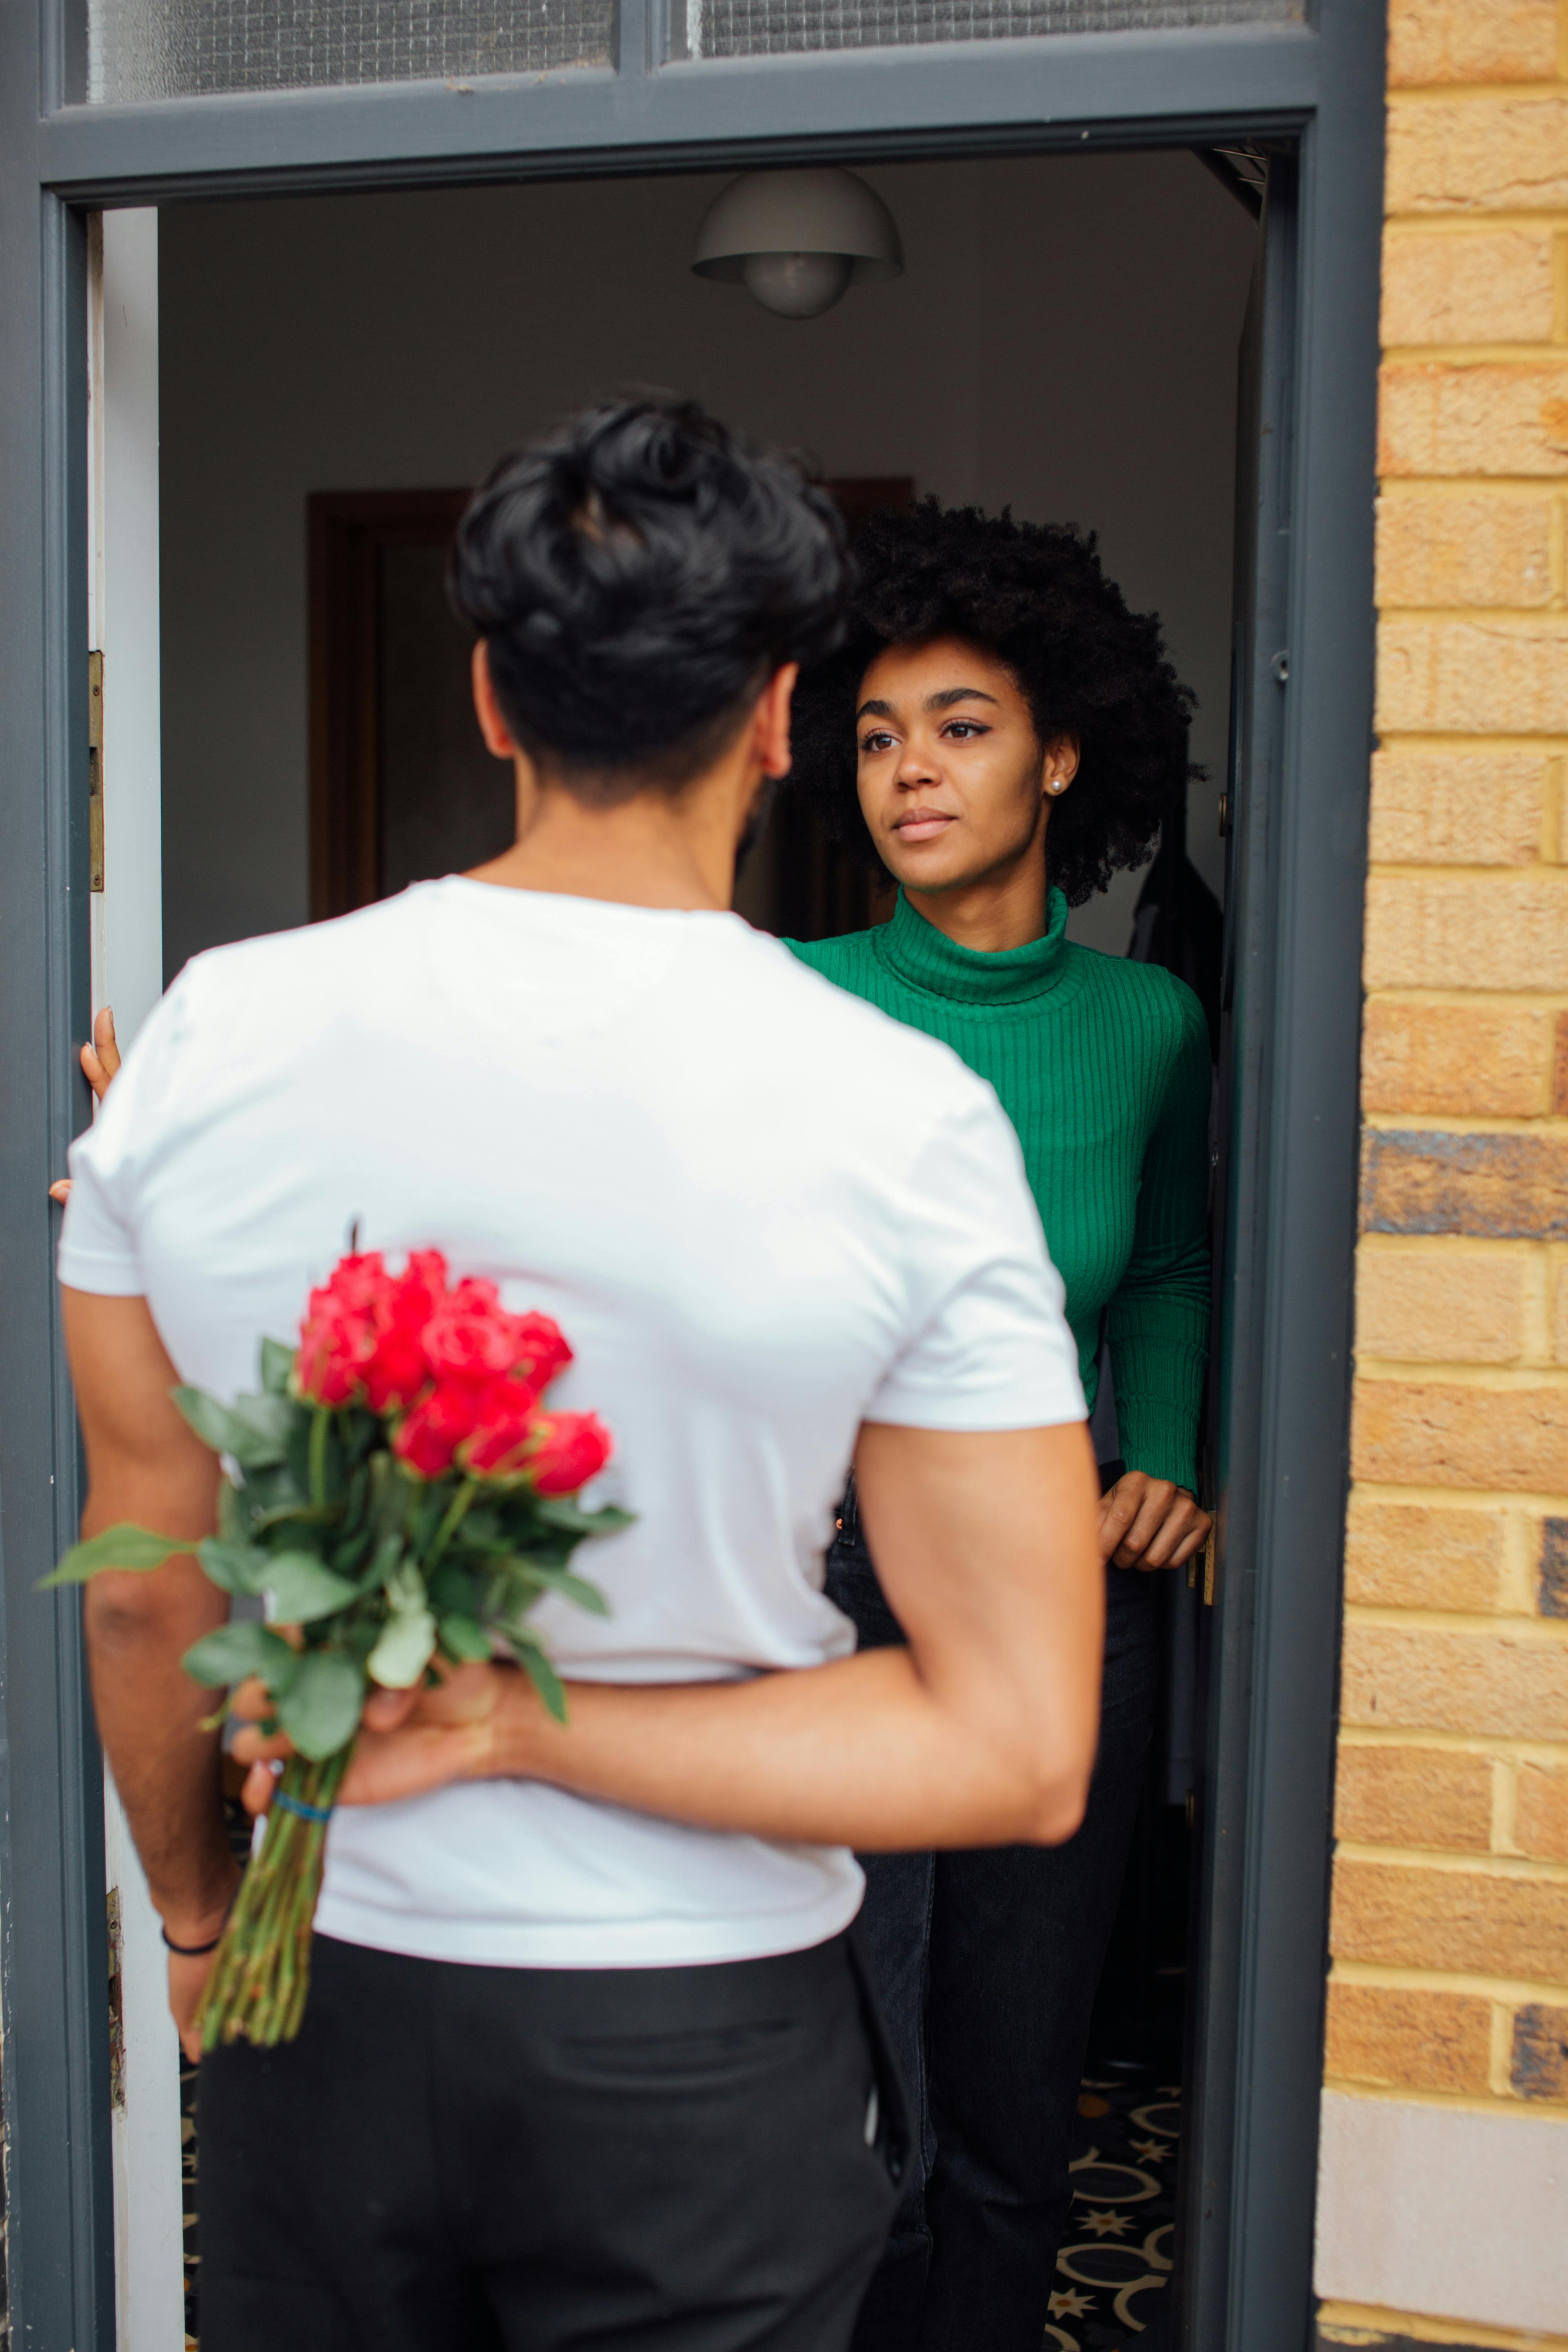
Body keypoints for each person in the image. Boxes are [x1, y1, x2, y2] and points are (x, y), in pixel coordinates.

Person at [57, 399, 1105, 2352]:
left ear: (488, 696)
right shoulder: (899, 1115)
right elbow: (1021, 1745)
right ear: (786, 716)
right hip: (695, 2042)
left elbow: (142, 1586)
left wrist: (199, 1925)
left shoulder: (212, 1038)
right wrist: (541, 1732)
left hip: (322, 1985)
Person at [782, 497, 1213, 2352]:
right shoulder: (793, 1006)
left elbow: (1174, 1268)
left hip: (1064, 1583)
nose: (910, 773)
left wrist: (1175, 1452)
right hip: (837, 1583)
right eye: (876, 738)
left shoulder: (1152, 1024)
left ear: (1061, 753)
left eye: (960, 728)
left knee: (1023, 2086)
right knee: (853, 2081)